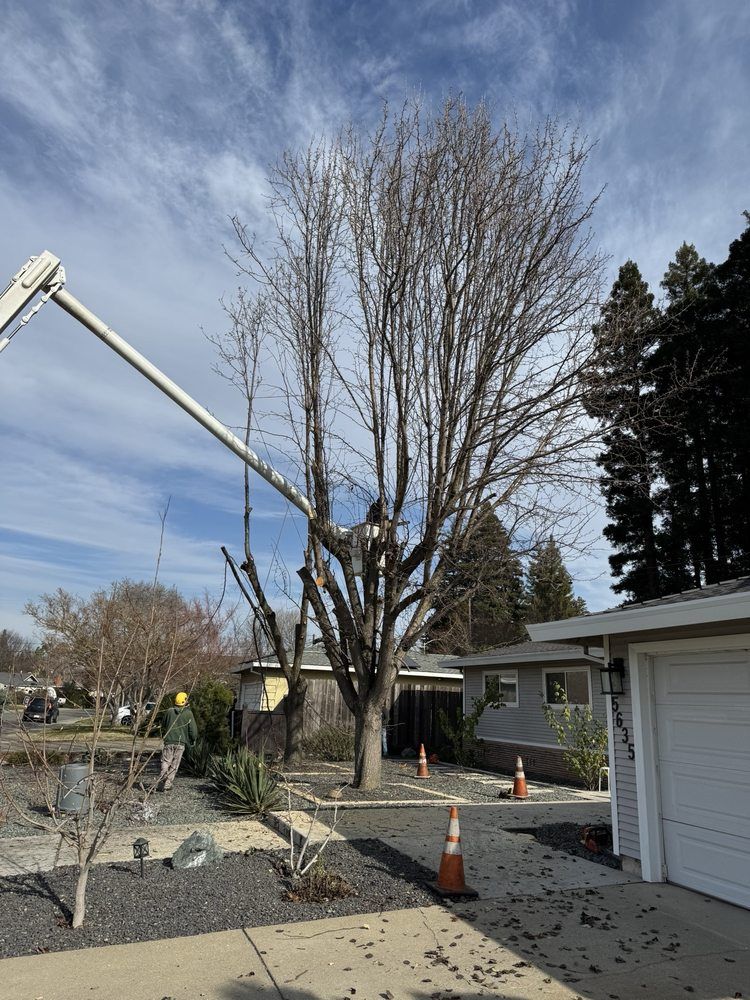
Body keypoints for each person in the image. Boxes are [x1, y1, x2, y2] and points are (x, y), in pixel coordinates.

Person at [158, 692, 197, 791]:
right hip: (180, 742)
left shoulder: (169, 711)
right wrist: (193, 739)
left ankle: (162, 778)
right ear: (185, 701)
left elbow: (163, 725)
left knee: (166, 761)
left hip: (169, 741)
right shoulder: (188, 713)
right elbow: (193, 730)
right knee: (174, 764)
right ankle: (168, 784)